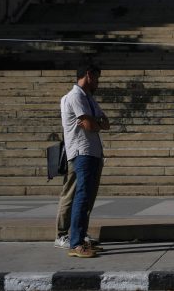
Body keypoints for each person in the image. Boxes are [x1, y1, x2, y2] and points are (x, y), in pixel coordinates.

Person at [59, 64, 109, 258]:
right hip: (83, 152)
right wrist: (96, 123)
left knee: (87, 199)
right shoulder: (76, 96)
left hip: (93, 152)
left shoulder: (89, 99)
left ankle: (81, 240)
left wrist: (95, 122)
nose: (97, 82)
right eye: (96, 78)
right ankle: (76, 243)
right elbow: (89, 125)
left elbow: (106, 122)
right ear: (88, 75)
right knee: (81, 198)